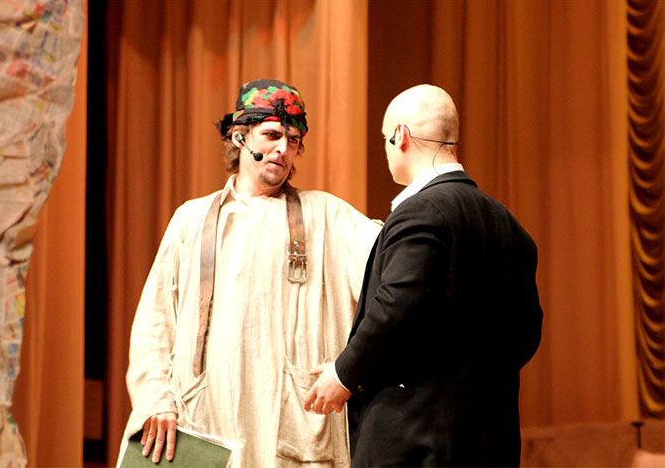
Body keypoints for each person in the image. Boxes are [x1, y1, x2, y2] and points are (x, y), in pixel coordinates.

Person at [117, 79, 381, 467]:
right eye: (272, 135)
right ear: (239, 138)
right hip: (203, 427)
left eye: (293, 141)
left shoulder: (327, 216)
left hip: (291, 435)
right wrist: (156, 398)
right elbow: (154, 323)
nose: (283, 149)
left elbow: (397, 272)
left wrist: (349, 369)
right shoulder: (191, 220)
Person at [304, 84, 543, 466]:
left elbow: (395, 306)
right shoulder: (511, 227)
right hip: (491, 443)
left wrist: (343, 374)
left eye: (385, 138)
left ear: (399, 135)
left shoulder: (421, 211)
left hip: (415, 446)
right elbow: (527, 335)